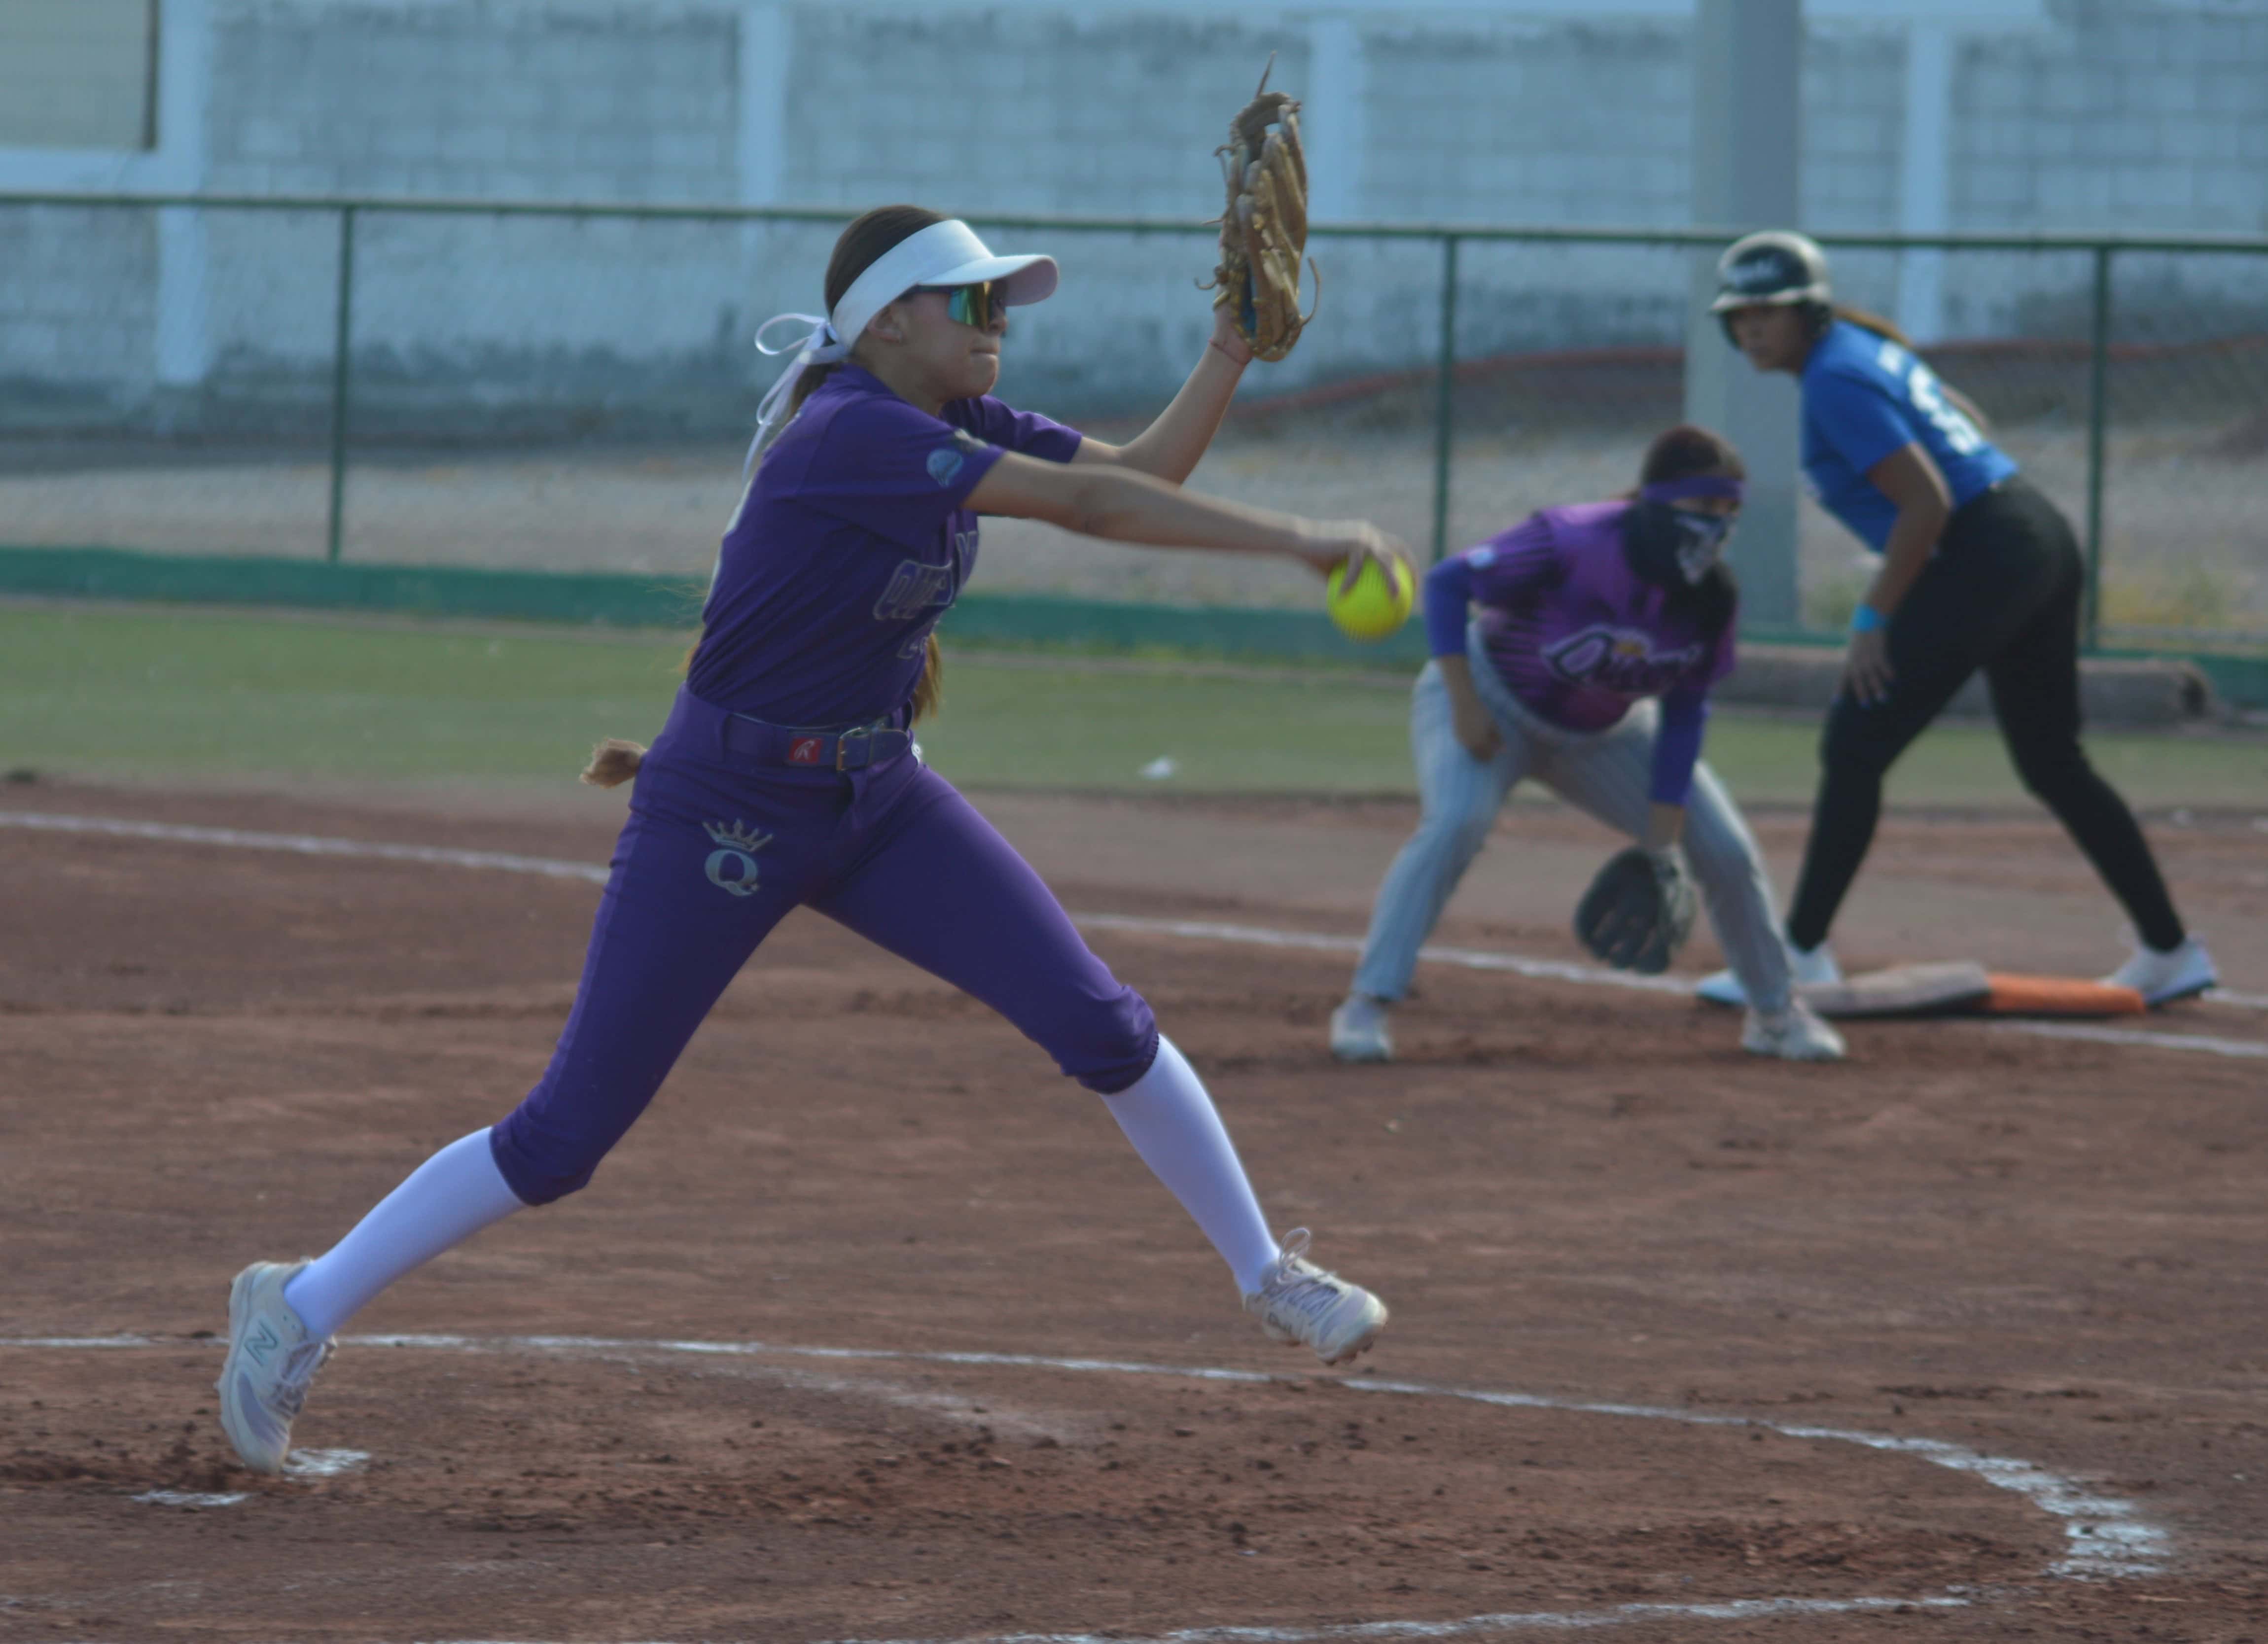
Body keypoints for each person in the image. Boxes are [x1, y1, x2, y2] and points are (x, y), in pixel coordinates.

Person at [214, 205, 1406, 1474]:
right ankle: (297, 1305)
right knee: (564, 1138)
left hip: (878, 798)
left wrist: (1224, 350)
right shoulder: (850, 433)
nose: (997, 324)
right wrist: (1299, 540)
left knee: (1101, 1023)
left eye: (1004, 304)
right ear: (887, 321)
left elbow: (1135, 476)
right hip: (724, 810)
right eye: (974, 302)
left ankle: (1268, 1272)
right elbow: (1094, 512)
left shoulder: (946, 422)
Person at [1700, 230, 2214, 1010]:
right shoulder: (1858, 353)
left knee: (1856, 741)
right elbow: (1956, 424)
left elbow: (1927, 501)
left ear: (1810, 312)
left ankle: (1798, 954)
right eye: (1739, 316)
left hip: (1989, 548)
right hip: (2029, 532)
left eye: (1770, 311)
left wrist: (1875, 617)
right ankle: (2173, 953)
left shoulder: (1835, 378)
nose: (1753, 328)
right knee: (2050, 760)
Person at [1328, 424, 1847, 1067]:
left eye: (1729, 513)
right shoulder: (1571, 539)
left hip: (1606, 735)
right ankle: (1366, 1006)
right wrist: (1463, 702)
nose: (1718, 528)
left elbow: (1685, 711)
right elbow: (1446, 584)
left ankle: (1776, 1013)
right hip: (1488, 703)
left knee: (1725, 849)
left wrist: (1661, 838)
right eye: (1705, 508)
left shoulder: (1712, 599)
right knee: (1457, 821)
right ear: (1657, 503)